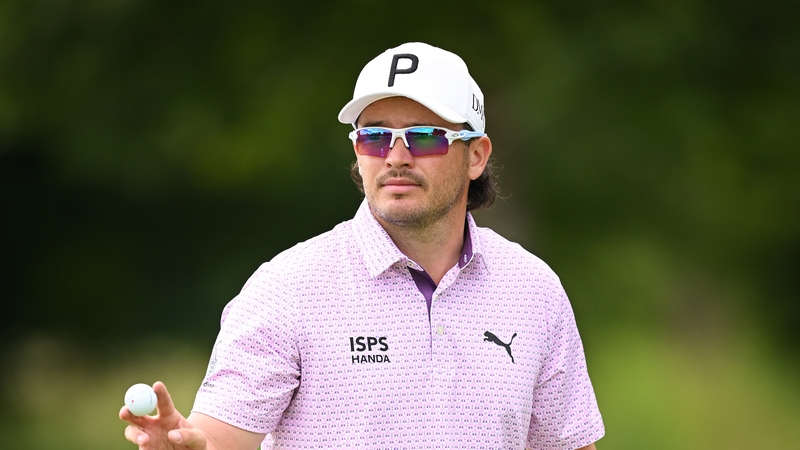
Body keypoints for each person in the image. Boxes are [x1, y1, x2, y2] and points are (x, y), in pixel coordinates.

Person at [121, 42, 604, 450]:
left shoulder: (533, 290)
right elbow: (218, 436)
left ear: (476, 155)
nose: (396, 156)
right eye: (375, 138)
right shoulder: (288, 287)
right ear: (358, 149)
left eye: (425, 138)